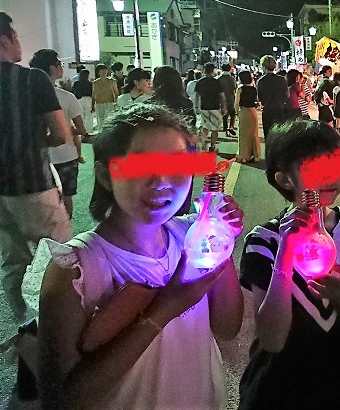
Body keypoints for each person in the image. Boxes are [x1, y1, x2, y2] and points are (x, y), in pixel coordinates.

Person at [38, 102, 245, 409]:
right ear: (105, 175)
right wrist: (164, 308)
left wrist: (221, 240)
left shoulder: (193, 238)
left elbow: (228, 327)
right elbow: (62, 401)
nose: (161, 181)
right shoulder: (76, 271)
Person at [238, 119, 340, 409]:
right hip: (273, 392)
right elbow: (271, 340)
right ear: (284, 179)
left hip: (336, 389)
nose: (334, 175)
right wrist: (285, 253)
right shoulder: (263, 241)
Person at [0, 12, 72, 321]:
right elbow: (60, 133)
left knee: (13, 260)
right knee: (60, 255)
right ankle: (61, 323)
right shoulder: (31, 79)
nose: (19, 43)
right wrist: (33, 142)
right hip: (32, 184)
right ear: (5, 40)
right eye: (15, 36)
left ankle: (24, 323)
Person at [30, 49, 88, 218]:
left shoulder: (27, 96)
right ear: (52, 68)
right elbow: (81, 130)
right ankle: (66, 231)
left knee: (42, 200)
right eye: (59, 64)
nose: (62, 67)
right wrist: (65, 129)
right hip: (66, 157)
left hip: (38, 157)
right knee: (66, 198)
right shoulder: (67, 97)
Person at [152, 66, 197, 215]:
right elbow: (191, 127)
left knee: (159, 187)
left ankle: (161, 218)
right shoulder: (185, 103)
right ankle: (180, 219)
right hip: (184, 151)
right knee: (182, 189)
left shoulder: (152, 104)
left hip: (157, 152)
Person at [256, 55, 291, 139]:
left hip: (267, 111)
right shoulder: (281, 79)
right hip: (280, 110)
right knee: (280, 135)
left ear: (263, 66)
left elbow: (259, 98)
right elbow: (287, 95)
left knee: (268, 136)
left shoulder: (260, 81)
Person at [195, 63, 226, 153]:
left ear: (204, 70)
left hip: (203, 108)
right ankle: (212, 146)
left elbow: (197, 96)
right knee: (215, 129)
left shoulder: (200, 82)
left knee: (204, 129)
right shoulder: (216, 82)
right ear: (213, 70)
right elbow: (222, 96)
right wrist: (224, 107)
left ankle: (202, 147)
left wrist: (196, 107)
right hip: (215, 108)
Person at [235, 70, 261, 164]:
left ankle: (244, 156)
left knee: (243, 135)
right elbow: (258, 102)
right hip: (252, 112)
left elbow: (236, 103)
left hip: (244, 111)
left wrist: (237, 113)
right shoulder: (254, 89)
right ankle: (256, 155)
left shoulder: (240, 89)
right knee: (254, 134)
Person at [91, 64, 118, 133]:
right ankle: (101, 134)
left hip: (110, 103)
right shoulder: (95, 82)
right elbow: (93, 94)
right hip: (99, 104)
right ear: (98, 72)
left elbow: (116, 93)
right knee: (100, 121)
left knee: (109, 120)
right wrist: (92, 105)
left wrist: (116, 103)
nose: (104, 73)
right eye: (102, 71)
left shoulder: (112, 81)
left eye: (105, 71)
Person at [72, 69, 94, 136]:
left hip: (79, 100)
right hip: (88, 99)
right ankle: (89, 131)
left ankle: (82, 131)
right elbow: (92, 93)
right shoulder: (90, 84)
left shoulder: (76, 83)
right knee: (89, 116)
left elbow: (73, 91)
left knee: (81, 116)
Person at [218, 63, 237, 137]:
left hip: (221, 99)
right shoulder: (232, 78)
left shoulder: (219, 79)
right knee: (232, 114)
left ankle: (226, 130)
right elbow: (234, 88)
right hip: (230, 98)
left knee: (224, 115)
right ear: (229, 69)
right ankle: (231, 127)